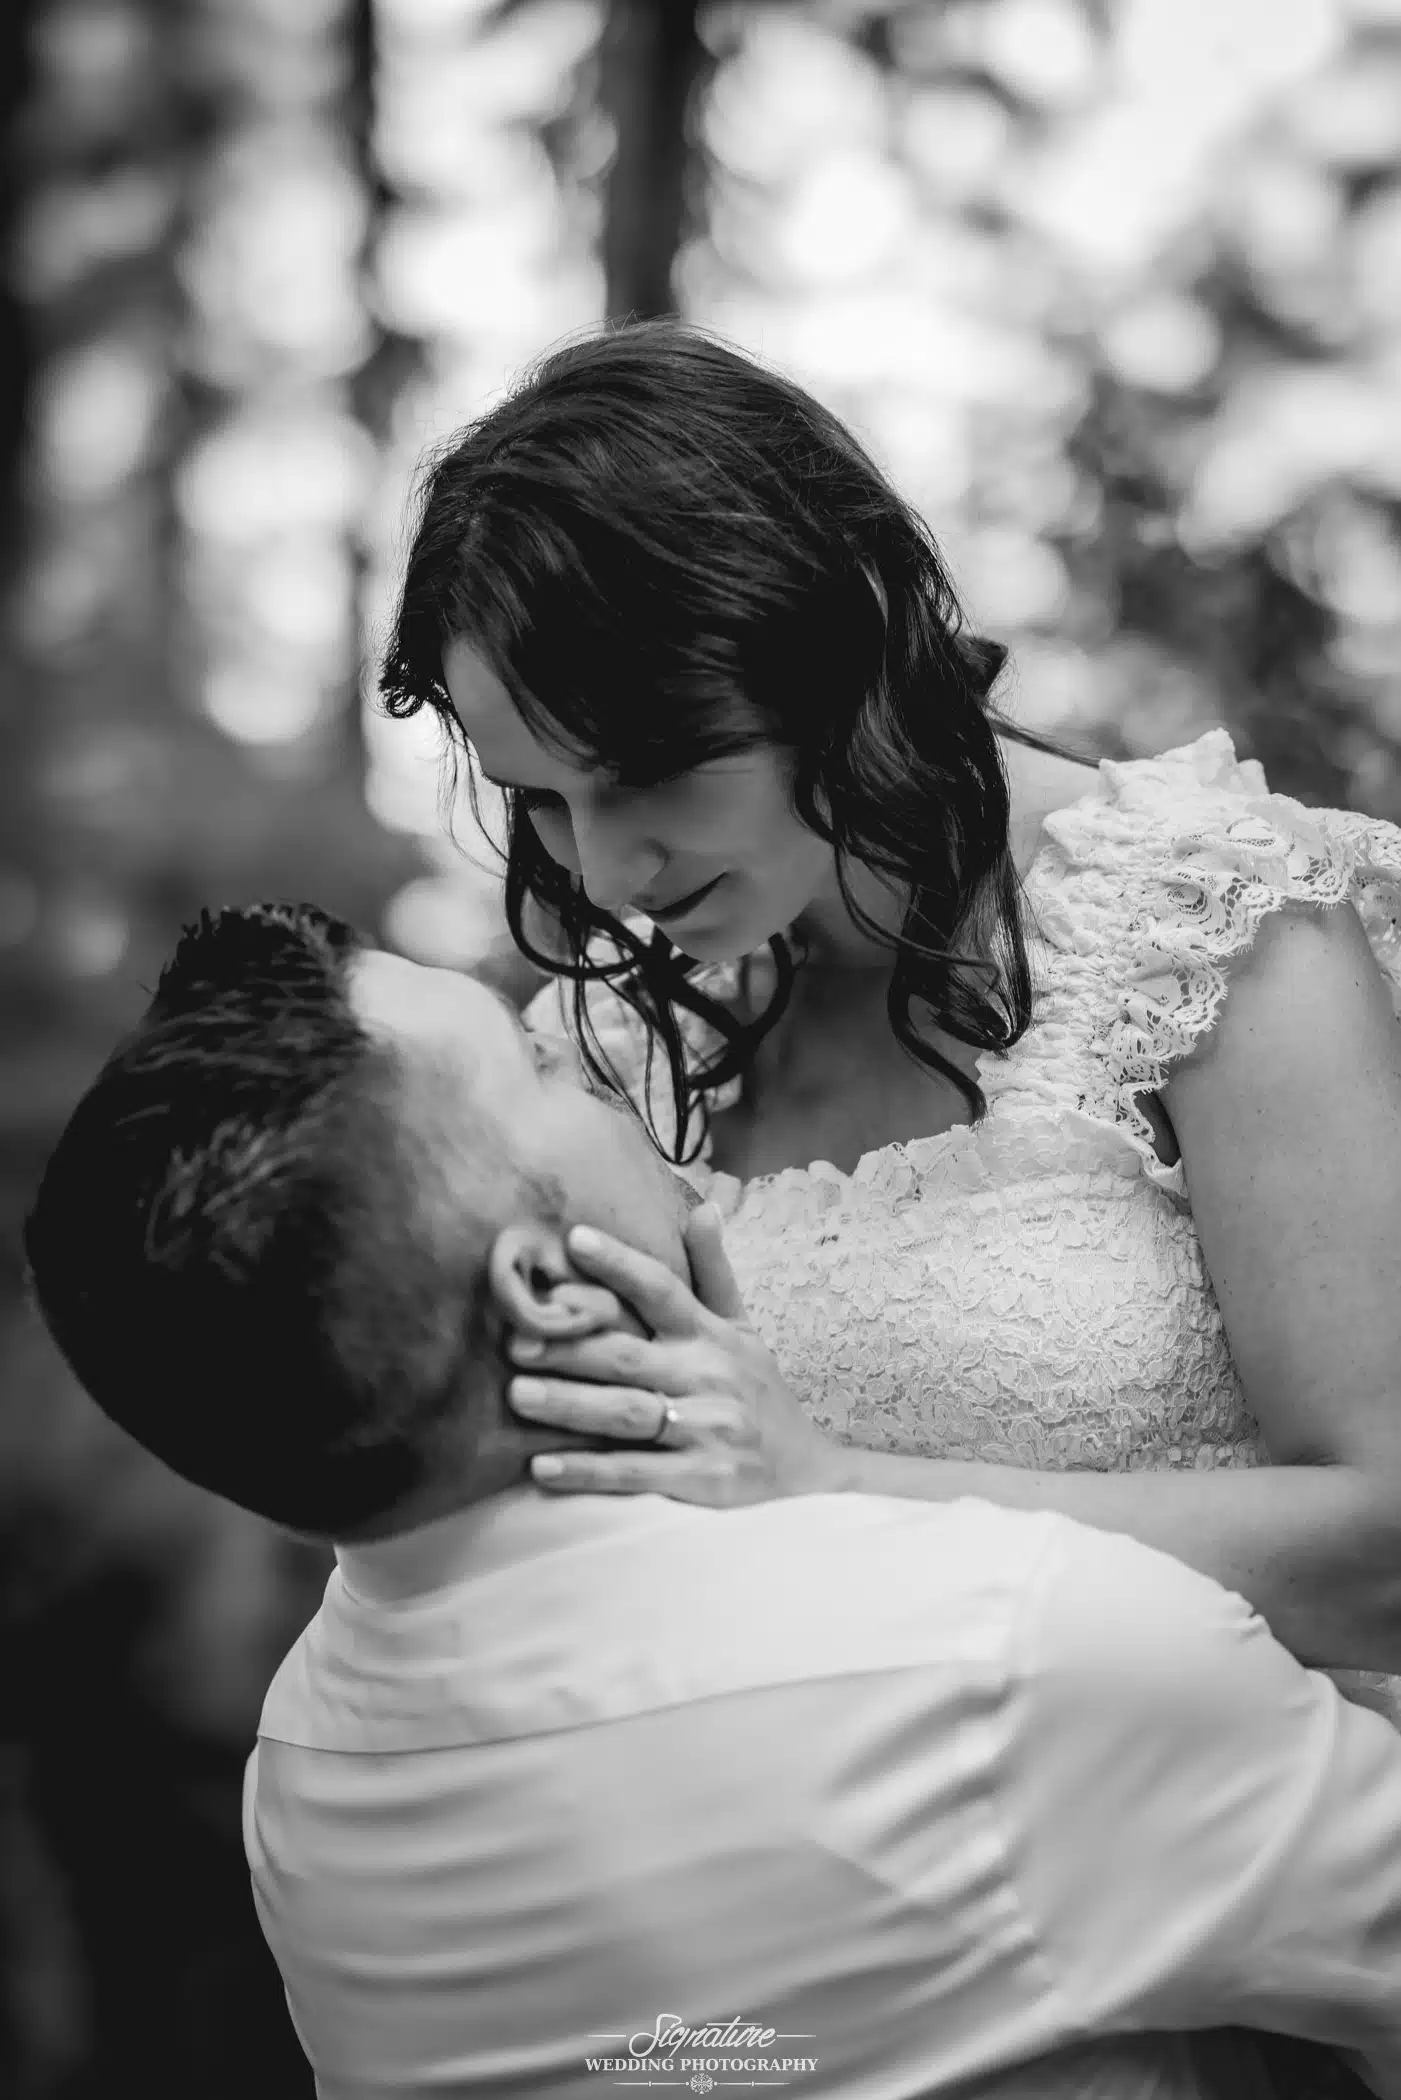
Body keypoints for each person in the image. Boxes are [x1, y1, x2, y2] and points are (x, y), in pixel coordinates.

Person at [21, 901, 1401, 2100]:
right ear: (551, 1292)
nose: (598, 1068)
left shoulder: (307, 1772)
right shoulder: (1002, 1654)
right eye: (536, 1071)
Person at [381, 320, 1401, 1728]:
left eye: (651, 770)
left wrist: (840, 1489)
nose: (609, 872)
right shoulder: (606, 1057)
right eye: (541, 797)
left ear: (831, 644)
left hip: (1238, 1867)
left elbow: (1388, 1552)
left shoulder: (1203, 918)